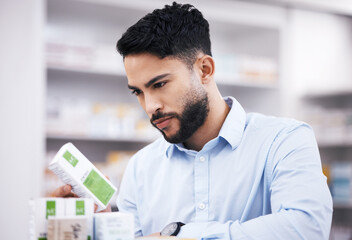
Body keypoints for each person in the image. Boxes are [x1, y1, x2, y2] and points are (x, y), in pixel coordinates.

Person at [54, 2, 333, 239]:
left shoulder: (284, 140)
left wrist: (182, 236)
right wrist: (103, 226)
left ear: (205, 69)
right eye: (138, 92)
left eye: (160, 84)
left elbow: (307, 227)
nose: (150, 107)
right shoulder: (141, 167)